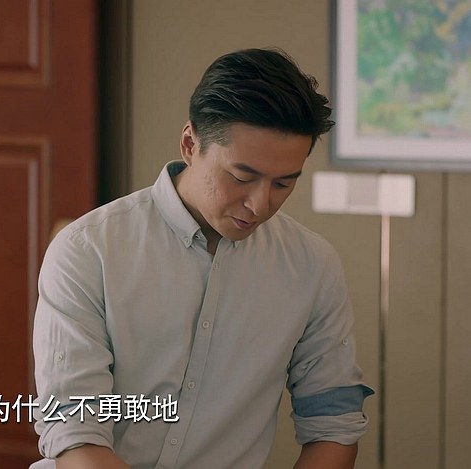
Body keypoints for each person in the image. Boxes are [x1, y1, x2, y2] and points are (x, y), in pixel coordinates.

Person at [31, 48, 373, 469]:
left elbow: (334, 425)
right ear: (191, 144)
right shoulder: (89, 250)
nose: (260, 204)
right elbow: (74, 431)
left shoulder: (311, 265)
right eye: (242, 177)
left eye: (283, 184)